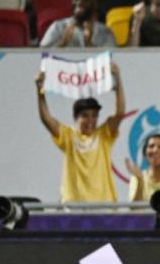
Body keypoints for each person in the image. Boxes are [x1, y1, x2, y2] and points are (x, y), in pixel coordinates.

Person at [35, 63, 125, 203]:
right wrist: (40, 91)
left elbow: (120, 113)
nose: (90, 120)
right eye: (85, 115)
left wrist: (117, 79)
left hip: (104, 204)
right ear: (75, 118)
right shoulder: (68, 135)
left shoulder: (104, 134)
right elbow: (46, 119)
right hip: (73, 205)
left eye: (94, 115)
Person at [40, 0, 117, 48]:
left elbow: (110, 60)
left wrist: (89, 44)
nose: (79, 3)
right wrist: (63, 43)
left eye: (86, 0)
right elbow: (39, 57)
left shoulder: (105, 32)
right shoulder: (57, 27)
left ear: (96, 4)